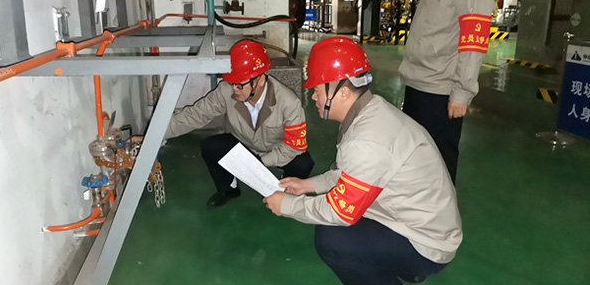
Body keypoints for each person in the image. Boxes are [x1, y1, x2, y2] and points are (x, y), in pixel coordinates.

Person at [264, 37, 462, 285]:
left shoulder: (367, 140)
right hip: (417, 221)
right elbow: (351, 172)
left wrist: (289, 206)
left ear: (342, 92)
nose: (313, 97)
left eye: (317, 90)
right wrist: (308, 185)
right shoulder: (371, 111)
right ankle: (400, 266)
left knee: (332, 238)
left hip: (427, 244)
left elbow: (340, 212)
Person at [399, 0, 496, 183]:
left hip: (440, 94)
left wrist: (462, 93)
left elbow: (473, 40)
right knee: (417, 164)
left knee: (437, 168)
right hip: (420, 84)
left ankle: (441, 213)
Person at [153, 40, 314, 207]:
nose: (234, 89)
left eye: (240, 84)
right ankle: (229, 188)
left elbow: (294, 146)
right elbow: (195, 115)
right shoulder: (226, 90)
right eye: (232, 82)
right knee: (212, 146)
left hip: (276, 151)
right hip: (244, 147)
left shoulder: (289, 102)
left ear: (259, 80)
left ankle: (282, 191)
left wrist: (261, 162)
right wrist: (153, 135)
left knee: (303, 164)